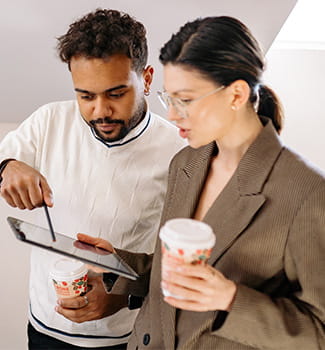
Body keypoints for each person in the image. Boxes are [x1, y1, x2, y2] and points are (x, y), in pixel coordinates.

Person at [78, 16, 325, 349]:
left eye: (186, 100)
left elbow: (318, 332)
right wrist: (116, 263)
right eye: (169, 98)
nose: (172, 115)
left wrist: (230, 299)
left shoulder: (307, 193)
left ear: (236, 94)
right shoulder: (186, 163)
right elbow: (178, 267)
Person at [0, 8, 186, 350]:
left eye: (116, 94)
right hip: (45, 330)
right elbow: (3, 160)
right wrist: (7, 167)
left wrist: (126, 297)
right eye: (85, 96)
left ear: (145, 79)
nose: (99, 110)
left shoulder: (180, 149)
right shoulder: (49, 121)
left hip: (129, 335)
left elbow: (185, 258)